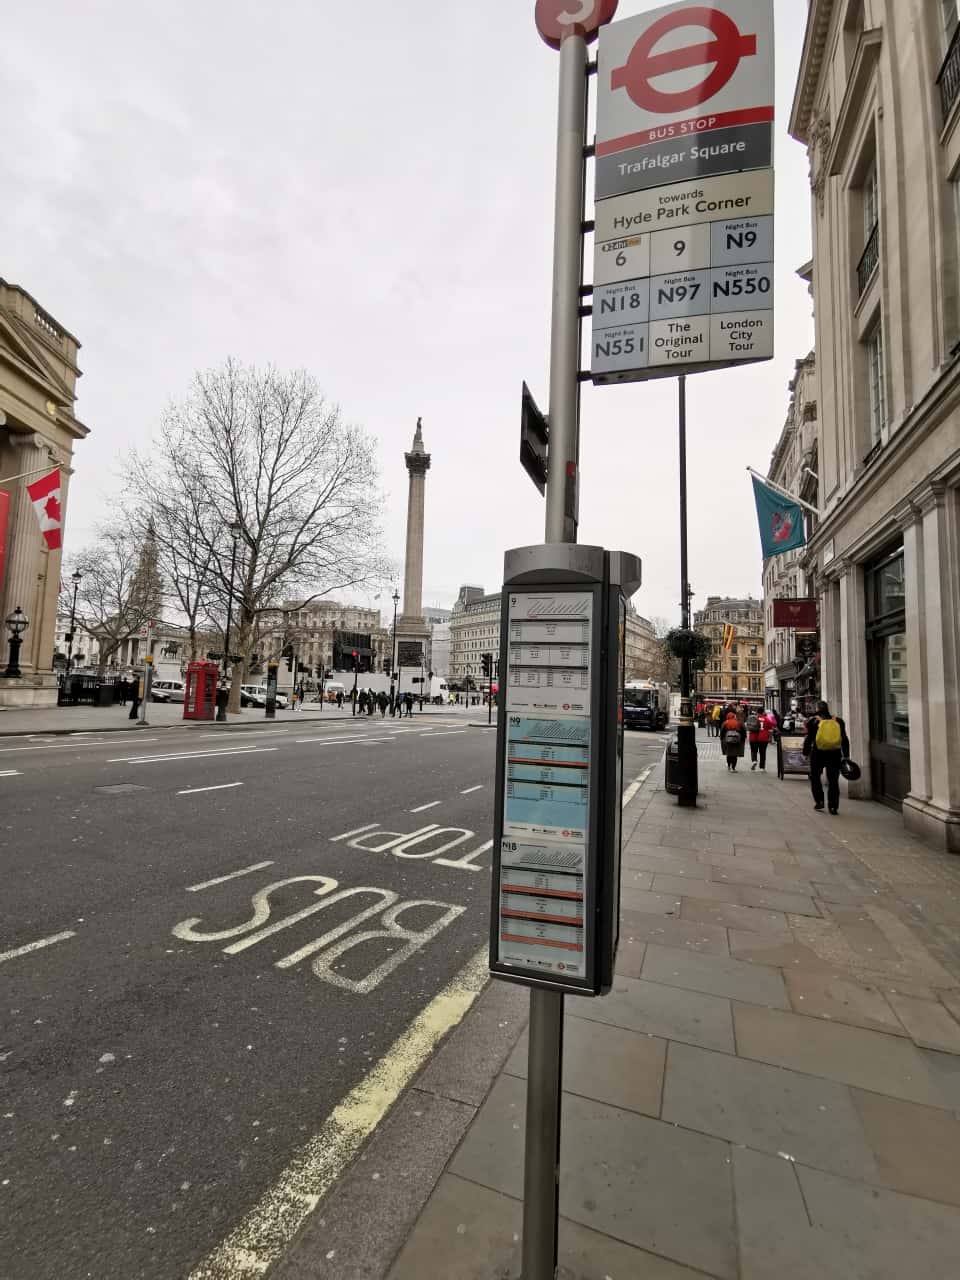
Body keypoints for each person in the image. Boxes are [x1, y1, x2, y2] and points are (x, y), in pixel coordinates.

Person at [803, 700, 850, 814]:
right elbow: (844, 738)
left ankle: (819, 801)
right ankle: (833, 806)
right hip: (834, 754)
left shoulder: (813, 722)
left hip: (818, 753)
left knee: (815, 778)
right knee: (833, 781)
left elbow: (809, 739)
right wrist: (846, 755)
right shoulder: (838, 721)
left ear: (817, 710)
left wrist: (805, 752)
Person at [747, 707, 775, 771]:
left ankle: (754, 761)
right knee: (762, 753)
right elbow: (771, 728)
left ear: (757, 711)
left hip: (753, 737)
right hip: (763, 738)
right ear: (763, 712)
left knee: (754, 751)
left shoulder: (753, 718)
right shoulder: (766, 719)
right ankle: (762, 767)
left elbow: (748, 726)